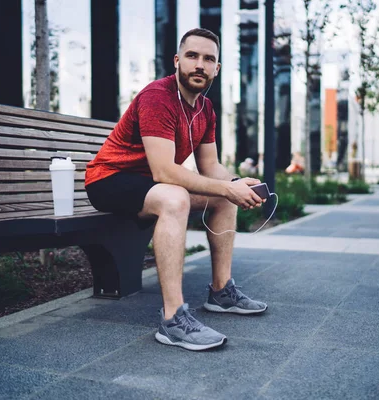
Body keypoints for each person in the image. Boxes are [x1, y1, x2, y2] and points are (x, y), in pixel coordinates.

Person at [85, 28, 267, 351]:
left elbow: (211, 168)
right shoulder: (159, 97)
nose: (200, 64)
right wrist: (226, 187)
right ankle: (172, 320)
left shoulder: (205, 109)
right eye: (192, 56)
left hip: (147, 183)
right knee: (175, 197)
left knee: (224, 197)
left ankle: (221, 291)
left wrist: (236, 185)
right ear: (177, 61)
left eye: (208, 59)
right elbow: (164, 171)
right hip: (109, 179)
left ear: (217, 69)